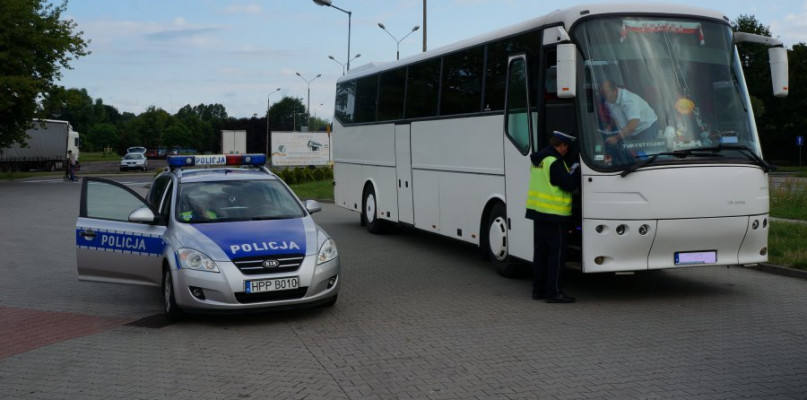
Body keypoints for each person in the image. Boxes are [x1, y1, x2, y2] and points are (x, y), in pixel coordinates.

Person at [525, 131, 580, 304]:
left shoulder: (539, 160)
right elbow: (569, 184)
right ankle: (554, 292)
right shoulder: (554, 162)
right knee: (556, 255)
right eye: (566, 148)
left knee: (541, 253)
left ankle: (538, 290)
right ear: (561, 145)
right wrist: (576, 170)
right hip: (554, 214)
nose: (566, 152)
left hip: (537, 212)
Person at [599, 80, 659, 162]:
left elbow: (633, 124)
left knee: (642, 155)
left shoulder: (629, 100)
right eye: (603, 95)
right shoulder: (609, 100)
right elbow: (614, 117)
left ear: (615, 90)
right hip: (630, 130)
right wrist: (609, 128)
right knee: (626, 152)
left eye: (607, 94)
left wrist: (616, 138)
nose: (606, 97)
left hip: (646, 127)